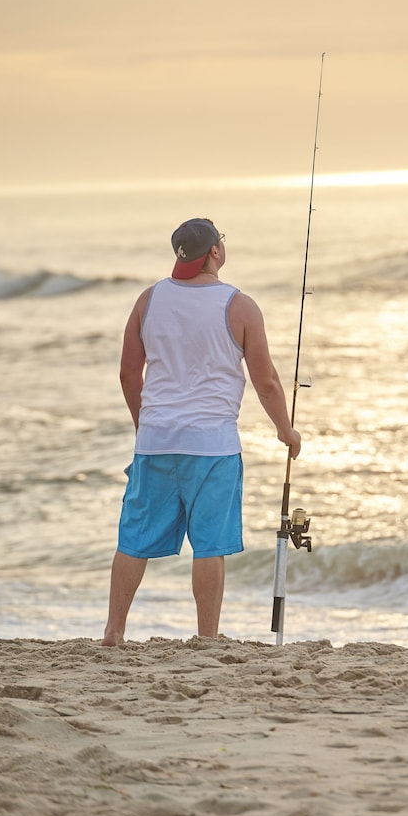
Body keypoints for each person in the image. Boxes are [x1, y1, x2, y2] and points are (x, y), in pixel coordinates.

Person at [102, 217, 301, 646]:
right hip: (213, 447)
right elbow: (265, 380)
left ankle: (114, 631)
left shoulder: (148, 299)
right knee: (210, 545)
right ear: (215, 252)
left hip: (155, 442)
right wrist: (286, 430)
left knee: (133, 540)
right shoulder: (239, 305)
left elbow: (127, 373)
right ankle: (207, 638)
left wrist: (145, 425)